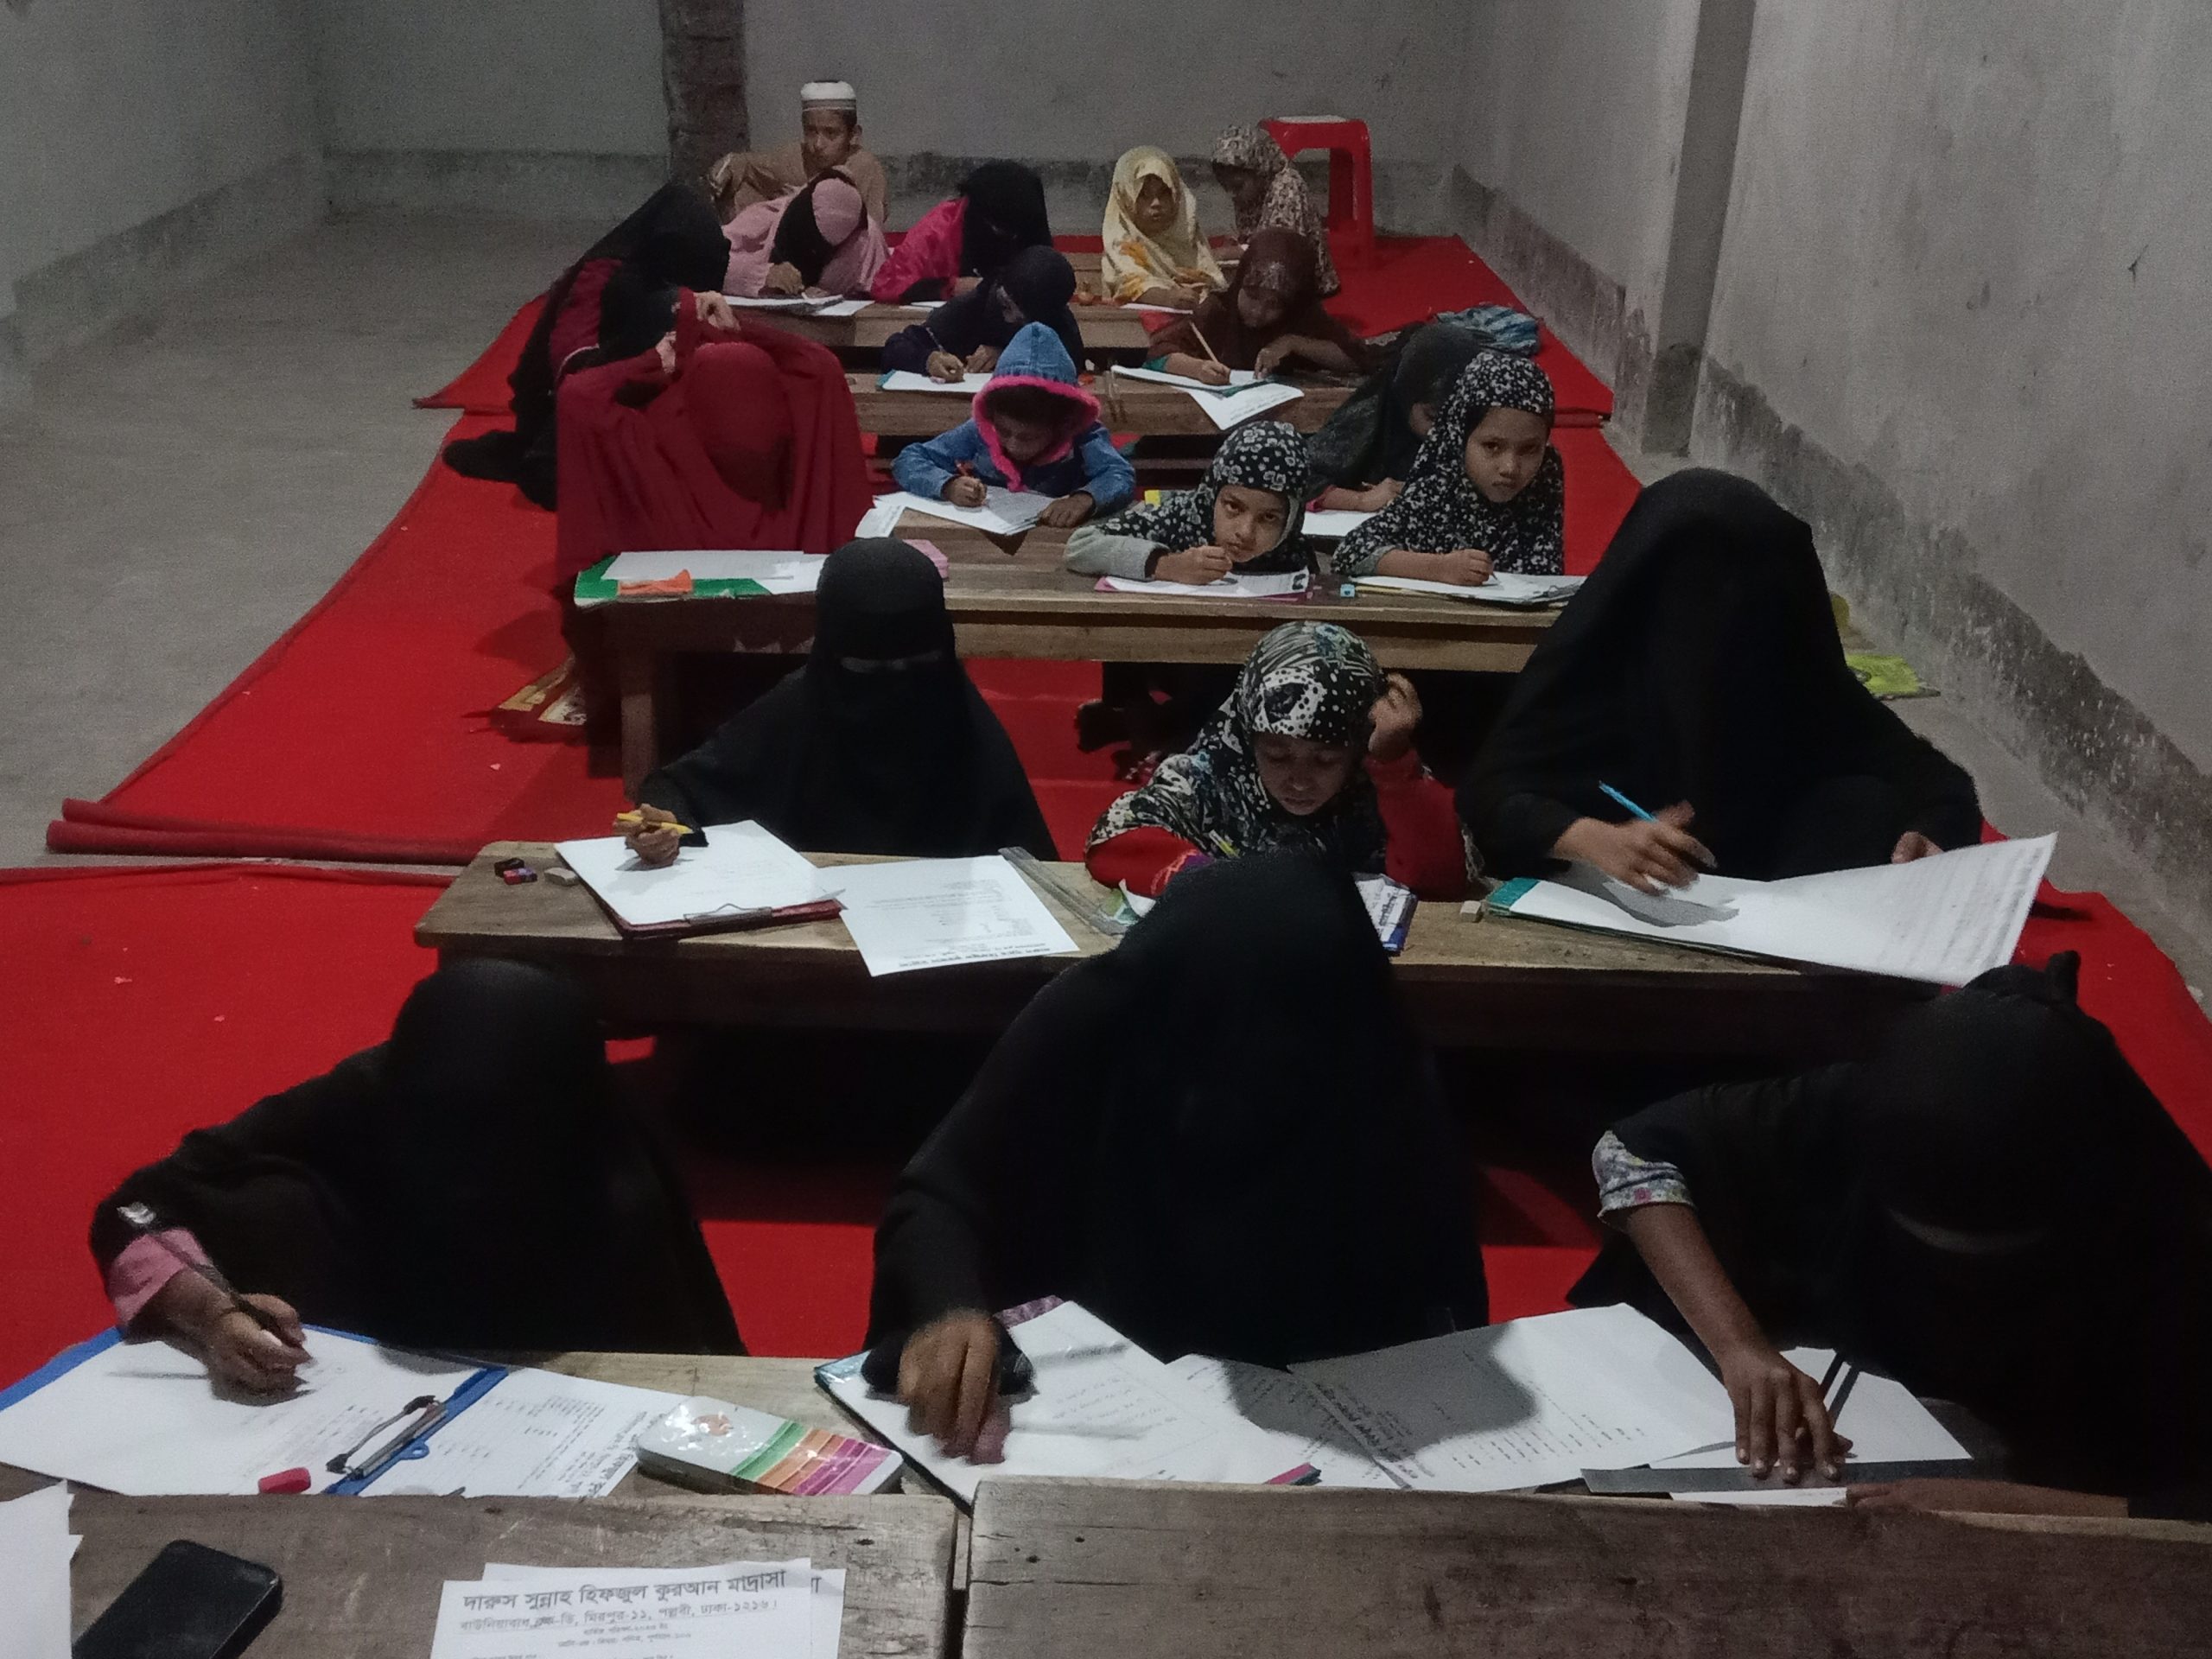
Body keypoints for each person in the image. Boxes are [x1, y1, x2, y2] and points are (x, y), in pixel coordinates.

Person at [861, 853, 1489, 1455]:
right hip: (1105, 1366)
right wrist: (948, 1310)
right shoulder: (1109, 1010)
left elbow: (1441, 1284)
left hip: (1325, 1375)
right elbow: (944, 1191)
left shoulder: (1373, 1055)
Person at [1573, 952, 2212, 1520]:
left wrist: (2038, 1509)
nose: (1955, 1281)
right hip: (1864, 1382)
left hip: (2062, 1439)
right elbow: (1632, 1153)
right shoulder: (1876, 1102)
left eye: (1986, 1260)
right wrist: (1739, 1346)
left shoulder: (2169, 1227)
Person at [89, 961, 741, 1389]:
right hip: (356, 1365)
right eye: (440, 1127)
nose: (471, 1170)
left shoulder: (615, 1181)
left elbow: (687, 1366)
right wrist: (213, 1315)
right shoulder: (368, 1095)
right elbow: (139, 1206)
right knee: (270, 1204)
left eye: (502, 1136)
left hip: (563, 1385)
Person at [1458, 469, 1981, 888]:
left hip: (1767, 912)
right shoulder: (1597, 679)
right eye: (1698, 614)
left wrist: (1928, 830)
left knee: (1864, 804)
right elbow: (1490, 794)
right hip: (1618, 911)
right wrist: (1591, 838)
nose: (1725, 646)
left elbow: (1932, 781)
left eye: (1754, 616)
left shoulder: (1792, 672)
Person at [624, 539, 1054, 863]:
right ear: (832, 654)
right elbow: (675, 786)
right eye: (867, 668)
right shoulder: (797, 708)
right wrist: (664, 827)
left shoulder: (963, 721)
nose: (894, 690)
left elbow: (1035, 866)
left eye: (917, 663)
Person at [1086, 621, 1474, 899]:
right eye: (1277, 756)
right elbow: (1113, 839)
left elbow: (1443, 877)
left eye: (1325, 760)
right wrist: (1216, 883)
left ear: (1357, 748)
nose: (1299, 781)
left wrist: (1394, 765)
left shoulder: (1382, 780)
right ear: (1248, 736)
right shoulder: (1209, 776)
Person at [442, 181, 732, 507]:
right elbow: (569, 359)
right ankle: (551, 460)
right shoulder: (604, 273)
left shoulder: (654, 275)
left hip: (598, 404)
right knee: (666, 317)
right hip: (556, 413)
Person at [556, 301, 874, 584]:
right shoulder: (802, 488)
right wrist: (738, 327)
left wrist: (655, 361)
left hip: (673, 620)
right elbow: (820, 365)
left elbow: (578, 395)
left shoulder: (654, 464)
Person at [1332, 350, 1565, 583]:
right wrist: (1439, 568)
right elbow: (1350, 552)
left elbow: (1546, 579)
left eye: (1530, 449)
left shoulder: (1543, 485)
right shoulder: (1436, 490)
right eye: (1492, 446)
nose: (1510, 468)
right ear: (1459, 438)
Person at [890, 322, 1134, 529]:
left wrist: (1084, 499)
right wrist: (948, 485)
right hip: (988, 537)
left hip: (1057, 543)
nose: (1013, 445)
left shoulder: (1084, 435)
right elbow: (910, 458)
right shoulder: (982, 429)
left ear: (1062, 425)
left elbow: (1118, 475)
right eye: (1005, 432)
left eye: (1029, 438)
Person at [1064, 421, 1312, 584]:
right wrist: (1165, 565)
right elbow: (1080, 546)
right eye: (1233, 507)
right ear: (1213, 493)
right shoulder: (1177, 518)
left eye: (1269, 518)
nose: (1245, 532)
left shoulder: (1293, 552)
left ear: (1292, 518)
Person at [1307, 322, 1490, 512]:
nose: (1443, 431)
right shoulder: (1369, 419)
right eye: (1432, 418)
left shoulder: (1481, 424)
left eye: (1456, 419)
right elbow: (1299, 477)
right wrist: (1360, 500)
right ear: (1406, 397)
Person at [1144, 228, 1366, 382]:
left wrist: (1293, 343)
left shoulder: (1302, 318)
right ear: (1241, 281)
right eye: (1252, 296)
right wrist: (1198, 369)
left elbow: (1357, 358)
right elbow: (1159, 355)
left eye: (1274, 304)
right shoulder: (1217, 311)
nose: (1259, 312)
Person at [877, 245, 1084, 380]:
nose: (1008, 319)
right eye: (1005, 306)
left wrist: (1008, 355)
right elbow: (895, 349)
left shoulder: (1055, 317)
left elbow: (1073, 362)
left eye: (1022, 319)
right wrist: (929, 359)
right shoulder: (978, 303)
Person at [707, 79, 888, 227]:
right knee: (740, 191)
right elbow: (744, 164)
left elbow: (869, 234)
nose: (818, 144)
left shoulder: (864, 168)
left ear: (854, 135)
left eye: (831, 133)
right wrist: (725, 169)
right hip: (785, 253)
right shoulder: (795, 158)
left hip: (844, 257)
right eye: (811, 131)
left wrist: (800, 205)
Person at [871, 162, 1053, 305]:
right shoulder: (942, 226)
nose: (1008, 236)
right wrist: (951, 287)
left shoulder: (1029, 218)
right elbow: (887, 284)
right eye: (998, 227)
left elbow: (1049, 282)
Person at [1211, 123, 1338, 297]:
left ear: (1259, 171)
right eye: (1226, 187)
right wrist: (1239, 243)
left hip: (1301, 290)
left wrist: (1228, 254)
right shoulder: (1254, 192)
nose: (1232, 194)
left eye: (1238, 186)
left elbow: (1280, 250)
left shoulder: (1287, 189)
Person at [720, 170, 887, 298]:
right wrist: (763, 275)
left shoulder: (865, 241)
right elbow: (709, 262)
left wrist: (836, 294)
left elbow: (883, 294)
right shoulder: (766, 217)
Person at [1099, 145, 1226, 308]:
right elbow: (1130, 283)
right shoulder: (1121, 246)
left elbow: (1213, 280)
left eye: (1164, 193)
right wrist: (1168, 298)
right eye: (1144, 195)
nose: (1156, 203)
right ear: (1126, 198)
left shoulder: (1189, 237)